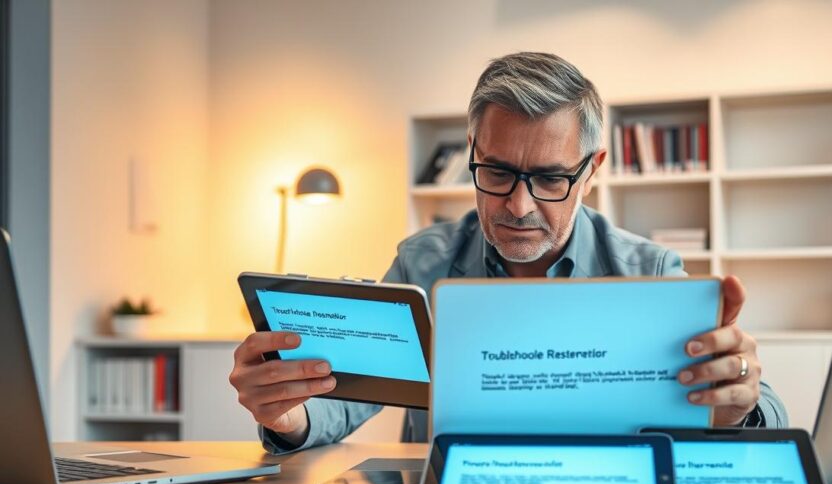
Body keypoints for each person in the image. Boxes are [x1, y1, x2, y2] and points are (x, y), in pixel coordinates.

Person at [229, 52, 788, 454]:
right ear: (473, 152)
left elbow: (762, 412)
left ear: (591, 170)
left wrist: (739, 406)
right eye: (496, 172)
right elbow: (347, 395)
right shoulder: (423, 263)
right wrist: (289, 414)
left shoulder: (651, 273)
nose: (518, 205)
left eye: (549, 179)